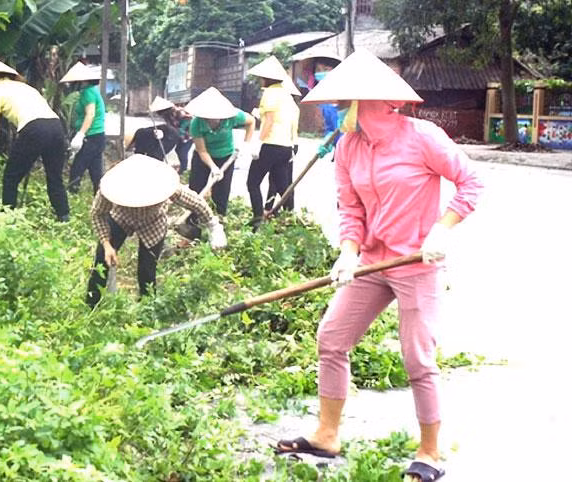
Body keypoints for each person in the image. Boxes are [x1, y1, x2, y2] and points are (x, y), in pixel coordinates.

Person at [272, 49, 483, 482]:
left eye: (341, 104)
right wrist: (348, 251)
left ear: (367, 103)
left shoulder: (422, 137)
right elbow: (350, 207)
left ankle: (430, 452)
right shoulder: (348, 147)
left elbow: (471, 182)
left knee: (418, 359)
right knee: (332, 337)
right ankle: (327, 434)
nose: (336, 111)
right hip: (372, 262)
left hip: (416, 263)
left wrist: (442, 228)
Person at [86, 154, 227, 308]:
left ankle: (147, 308)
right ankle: (91, 304)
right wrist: (107, 244)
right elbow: (97, 214)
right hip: (121, 217)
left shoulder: (162, 186)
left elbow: (196, 202)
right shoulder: (111, 188)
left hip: (153, 223)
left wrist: (214, 225)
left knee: (147, 270)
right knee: (101, 261)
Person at [0, 58, 69, 221]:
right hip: (56, 126)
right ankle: (63, 216)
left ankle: (8, 217)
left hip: (34, 128)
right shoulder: (26, 87)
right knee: (54, 176)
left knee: (11, 177)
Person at [184, 87, 254, 229]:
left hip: (226, 156)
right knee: (196, 191)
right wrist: (213, 167)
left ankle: (219, 223)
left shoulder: (233, 117)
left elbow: (251, 121)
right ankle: (192, 224)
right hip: (203, 158)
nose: (213, 119)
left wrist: (246, 144)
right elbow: (202, 151)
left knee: (222, 192)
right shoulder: (196, 124)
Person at [245, 56, 301, 227]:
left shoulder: (269, 93)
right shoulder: (287, 96)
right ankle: (290, 220)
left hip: (270, 145)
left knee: (252, 182)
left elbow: (269, 122)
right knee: (283, 186)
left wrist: (258, 143)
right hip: (286, 147)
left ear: (266, 78)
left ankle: (257, 219)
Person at [61, 62, 106, 193]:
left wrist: (81, 134)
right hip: (97, 137)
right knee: (96, 173)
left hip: (91, 136)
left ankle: (72, 196)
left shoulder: (88, 92)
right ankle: (101, 202)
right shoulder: (90, 91)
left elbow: (90, 114)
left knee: (77, 169)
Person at [125, 97, 181, 164]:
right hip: (168, 135)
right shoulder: (142, 133)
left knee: (156, 156)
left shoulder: (177, 114)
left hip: (171, 135)